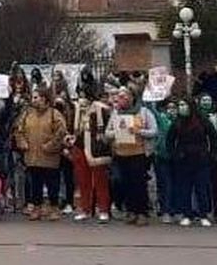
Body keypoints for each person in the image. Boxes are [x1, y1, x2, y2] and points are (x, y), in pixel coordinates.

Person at [13, 91, 67, 221]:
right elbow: (18, 130)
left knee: (52, 184)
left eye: (36, 97)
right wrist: (23, 143)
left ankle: (54, 208)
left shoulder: (54, 114)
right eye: (33, 97)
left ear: (44, 99)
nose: (34, 100)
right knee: (35, 184)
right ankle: (36, 208)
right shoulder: (27, 114)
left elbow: (61, 132)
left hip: (50, 157)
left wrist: (50, 145)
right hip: (32, 157)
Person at [108, 89, 157, 226]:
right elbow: (107, 133)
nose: (121, 99)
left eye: (124, 96)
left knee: (139, 184)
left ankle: (142, 212)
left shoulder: (144, 112)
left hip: (139, 154)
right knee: (125, 183)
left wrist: (139, 131)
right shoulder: (116, 113)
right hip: (121, 154)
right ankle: (131, 211)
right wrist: (116, 131)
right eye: (120, 97)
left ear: (132, 97)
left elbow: (154, 131)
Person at [168, 97, 217, 227]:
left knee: (202, 188)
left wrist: (211, 155)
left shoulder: (202, 120)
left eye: (184, 104)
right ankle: (186, 214)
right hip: (183, 159)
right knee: (184, 188)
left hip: (201, 159)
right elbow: (170, 140)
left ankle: (203, 214)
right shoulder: (177, 122)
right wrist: (174, 155)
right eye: (180, 105)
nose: (182, 107)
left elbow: (213, 137)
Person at [72, 93, 112, 223]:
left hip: (96, 149)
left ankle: (103, 210)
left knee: (100, 181)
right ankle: (85, 209)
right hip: (80, 147)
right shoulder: (76, 109)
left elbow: (107, 128)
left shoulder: (101, 110)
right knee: (83, 181)